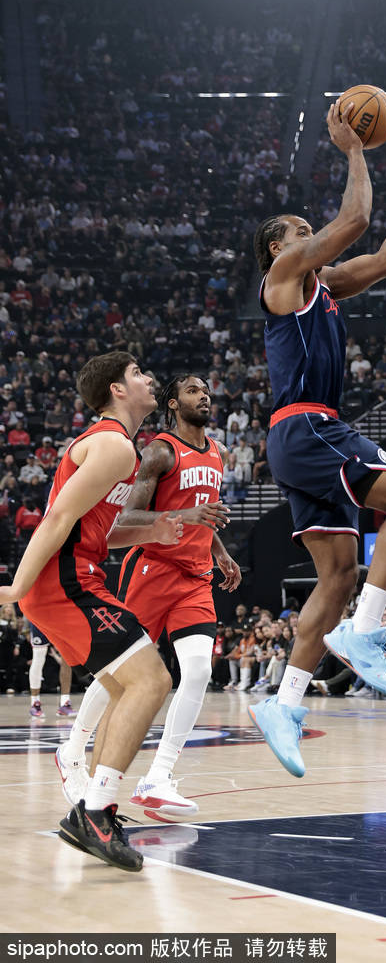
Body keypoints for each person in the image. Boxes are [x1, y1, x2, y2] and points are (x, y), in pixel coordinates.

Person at [248, 102, 386, 777]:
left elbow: (385, 257)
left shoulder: (324, 284)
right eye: (301, 231)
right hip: (307, 426)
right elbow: (353, 221)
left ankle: (284, 705)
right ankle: (365, 631)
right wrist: (352, 149)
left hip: (305, 434)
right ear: (280, 249)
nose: (314, 235)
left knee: (338, 575)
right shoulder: (282, 280)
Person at [0, 352, 181, 871]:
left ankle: (94, 808)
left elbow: (95, 527)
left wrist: (150, 531)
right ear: (117, 390)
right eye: (138, 373)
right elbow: (58, 517)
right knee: (152, 681)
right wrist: (17, 587)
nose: (149, 378)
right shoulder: (111, 444)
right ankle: (94, 812)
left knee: (129, 689)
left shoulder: (118, 447)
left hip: (75, 577)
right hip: (64, 582)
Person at [55, 374, 242, 819]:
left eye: (206, 391)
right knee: (121, 670)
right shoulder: (160, 450)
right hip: (152, 569)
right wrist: (188, 514)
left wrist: (219, 551)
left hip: (195, 576)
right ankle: (73, 748)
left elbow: (203, 513)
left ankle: (158, 776)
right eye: (193, 391)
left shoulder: (217, 451)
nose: (204, 396)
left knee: (198, 671)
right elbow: (127, 515)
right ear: (173, 403)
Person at [26, 622, 75, 718]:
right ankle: (35, 703)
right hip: (40, 618)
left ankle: (64, 703)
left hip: (60, 618)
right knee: (39, 657)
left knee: (67, 656)